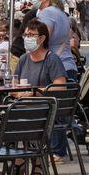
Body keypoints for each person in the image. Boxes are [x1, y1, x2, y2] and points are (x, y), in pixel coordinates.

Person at [13, 18, 70, 162]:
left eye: (31, 35)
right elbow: (14, 84)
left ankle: (26, 158)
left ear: (42, 38)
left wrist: (35, 92)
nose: (27, 38)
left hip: (45, 108)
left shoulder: (52, 59)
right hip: (24, 106)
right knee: (2, 115)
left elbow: (60, 87)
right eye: (26, 35)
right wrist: (17, 92)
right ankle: (15, 156)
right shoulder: (24, 59)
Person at [34, 0, 79, 81]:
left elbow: (42, 40)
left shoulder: (47, 13)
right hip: (67, 65)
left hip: (55, 69)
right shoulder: (60, 12)